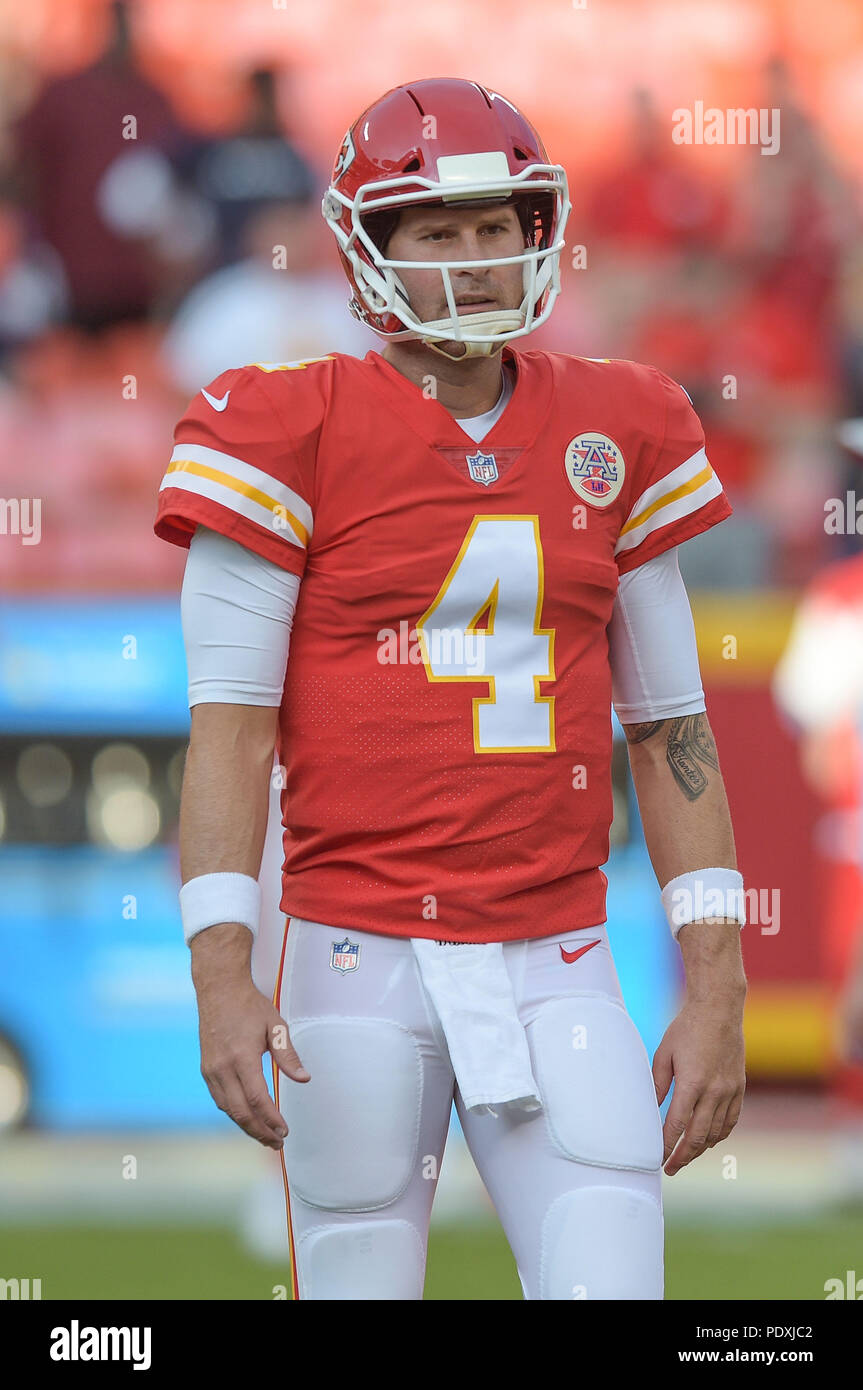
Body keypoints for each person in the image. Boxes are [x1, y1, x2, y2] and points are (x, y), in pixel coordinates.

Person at [154, 78, 746, 1301]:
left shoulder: (618, 423)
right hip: (353, 953)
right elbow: (229, 732)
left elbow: (670, 728)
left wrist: (717, 982)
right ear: (369, 243)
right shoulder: (287, 425)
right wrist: (219, 973)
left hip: (560, 948)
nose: (473, 261)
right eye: (436, 230)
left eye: (496, 226)